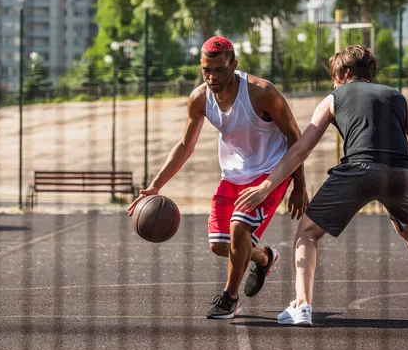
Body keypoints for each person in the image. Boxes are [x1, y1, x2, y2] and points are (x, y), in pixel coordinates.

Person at [235, 45, 408, 326]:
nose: (333, 82)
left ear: (345, 73)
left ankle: (302, 306)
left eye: (335, 76)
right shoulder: (399, 97)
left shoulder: (334, 98)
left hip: (359, 169)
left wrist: (267, 185)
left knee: (307, 233)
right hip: (400, 172)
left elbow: (301, 150)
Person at [127, 36, 308, 319]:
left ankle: (229, 298)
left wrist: (299, 186)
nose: (212, 77)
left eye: (219, 70)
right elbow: (186, 146)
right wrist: (155, 185)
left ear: (233, 65)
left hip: (271, 172)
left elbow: (296, 139)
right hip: (233, 174)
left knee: (239, 228)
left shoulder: (262, 92)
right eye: (206, 70)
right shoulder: (200, 98)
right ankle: (264, 257)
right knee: (220, 245)